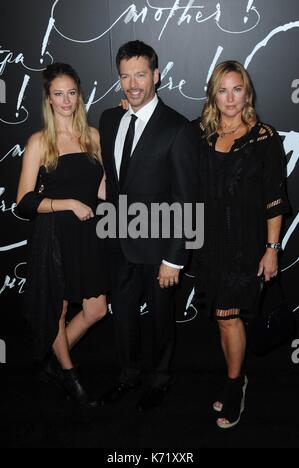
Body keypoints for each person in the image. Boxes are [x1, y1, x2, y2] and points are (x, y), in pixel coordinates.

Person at [98, 40, 200, 411]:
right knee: (123, 317)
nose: (133, 84)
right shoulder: (110, 119)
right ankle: (128, 375)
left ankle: (159, 379)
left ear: (156, 76)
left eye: (140, 75)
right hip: (118, 243)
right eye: (125, 76)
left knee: (160, 320)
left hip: (159, 249)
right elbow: (114, 180)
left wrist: (175, 258)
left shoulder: (177, 128)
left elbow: (188, 199)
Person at [195, 60, 289, 428]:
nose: (230, 98)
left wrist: (272, 248)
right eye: (223, 90)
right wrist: (130, 106)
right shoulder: (201, 134)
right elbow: (163, 131)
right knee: (222, 320)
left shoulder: (264, 136)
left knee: (230, 318)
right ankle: (237, 376)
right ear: (213, 95)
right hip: (210, 247)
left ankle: (235, 386)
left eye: (237, 89)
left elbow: (274, 198)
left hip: (246, 247)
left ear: (246, 92)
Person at [17, 63, 108, 406]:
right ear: (49, 99)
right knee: (58, 306)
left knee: (96, 309)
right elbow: (24, 202)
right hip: (54, 235)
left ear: (78, 95)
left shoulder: (94, 136)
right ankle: (70, 377)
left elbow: (101, 191)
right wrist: (68, 202)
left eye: (72, 92)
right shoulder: (40, 142)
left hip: (88, 236)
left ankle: (54, 363)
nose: (66, 100)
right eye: (59, 94)